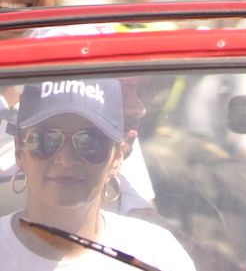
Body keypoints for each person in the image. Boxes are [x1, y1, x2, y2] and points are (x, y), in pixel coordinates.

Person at [0, 78, 195, 271]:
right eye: (46, 140)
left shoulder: (158, 255)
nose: (66, 159)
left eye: (90, 142)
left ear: (118, 157)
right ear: (19, 150)